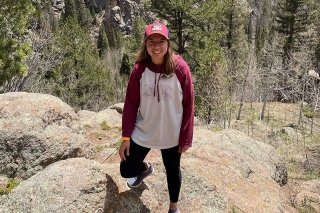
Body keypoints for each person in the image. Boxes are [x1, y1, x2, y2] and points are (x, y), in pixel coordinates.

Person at [119, 20, 194, 213]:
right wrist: (126, 137)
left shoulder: (180, 68)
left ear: (168, 43)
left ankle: (173, 208)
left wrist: (186, 137)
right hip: (145, 129)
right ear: (145, 44)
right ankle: (144, 169)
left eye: (161, 41)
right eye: (151, 41)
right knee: (126, 170)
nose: (156, 46)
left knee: (172, 170)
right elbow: (130, 104)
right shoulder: (139, 70)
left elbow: (188, 105)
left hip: (171, 131)